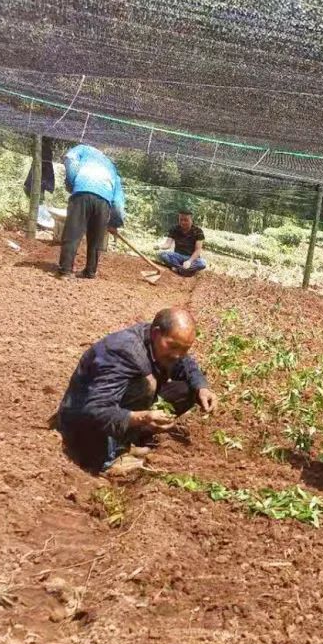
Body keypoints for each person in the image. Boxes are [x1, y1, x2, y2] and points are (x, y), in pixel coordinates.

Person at [56, 307, 218, 474]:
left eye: (184, 349)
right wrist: (141, 417)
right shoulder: (124, 351)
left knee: (188, 389)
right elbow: (95, 410)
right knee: (147, 384)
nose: (178, 355)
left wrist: (202, 388)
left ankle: (125, 441)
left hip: (111, 407)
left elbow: (185, 363)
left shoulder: (162, 343)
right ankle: (109, 458)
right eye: (173, 346)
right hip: (80, 422)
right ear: (156, 333)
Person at [57, 144, 125, 280]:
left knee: (73, 232)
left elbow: (70, 159)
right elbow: (118, 201)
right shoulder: (112, 167)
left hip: (82, 192)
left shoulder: (83, 149)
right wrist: (115, 222)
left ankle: (66, 270)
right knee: (96, 237)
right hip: (104, 201)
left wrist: (71, 183)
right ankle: (90, 271)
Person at [156, 211, 207, 276]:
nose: (183, 222)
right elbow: (167, 244)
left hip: (191, 257)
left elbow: (198, 250)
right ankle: (183, 270)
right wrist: (159, 246)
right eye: (181, 220)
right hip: (177, 256)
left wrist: (189, 261)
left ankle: (178, 268)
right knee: (161, 255)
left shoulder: (198, 231)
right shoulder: (174, 229)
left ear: (191, 220)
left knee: (202, 263)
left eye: (186, 220)